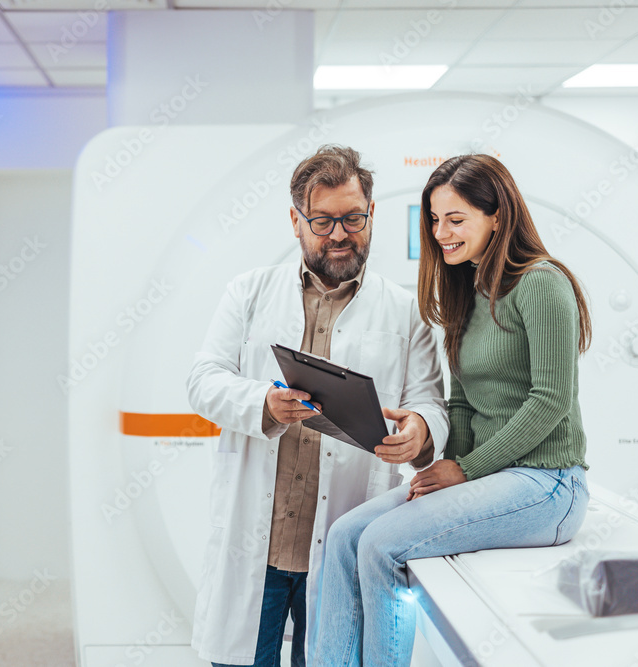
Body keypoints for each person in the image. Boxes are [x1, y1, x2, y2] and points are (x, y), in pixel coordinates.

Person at [310, 153, 592, 667]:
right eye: (435, 220)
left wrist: (463, 469)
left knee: (380, 546)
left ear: (498, 216)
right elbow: (460, 401)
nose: (441, 233)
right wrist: (439, 470)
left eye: (456, 219)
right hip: (493, 478)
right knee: (345, 535)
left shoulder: (542, 283)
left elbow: (550, 402)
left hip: (548, 484)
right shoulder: (469, 290)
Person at [187, 145, 450, 667]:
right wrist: (264, 401)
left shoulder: (407, 311)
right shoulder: (248, 293)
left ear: (371, 215)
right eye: (323, 220)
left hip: (341, 538)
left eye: (352, 219)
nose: (338, 235)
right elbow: (203, 380)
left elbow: (431, 403)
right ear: (295, 221)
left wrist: (420, 429)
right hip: (256, 547)